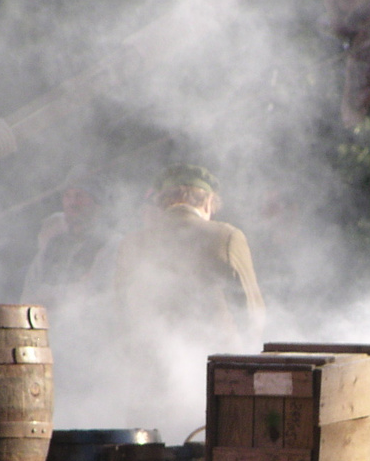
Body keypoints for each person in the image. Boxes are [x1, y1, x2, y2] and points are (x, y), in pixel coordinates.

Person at [114, 165, 266, 425]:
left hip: (149, 368)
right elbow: (252, 311)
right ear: (207, 201)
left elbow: (119, 311)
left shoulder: (132, 244)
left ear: (163, 201)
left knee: (149, 448)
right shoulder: (226, 237)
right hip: (215, 368)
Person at [19, 186, 117, 311]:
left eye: (80, 195)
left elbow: (100, 293)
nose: (72, 203)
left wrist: (49, 295)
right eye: (67, 196)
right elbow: (29, 294)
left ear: (97, 204)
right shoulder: (51, 247)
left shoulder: (111, 244)